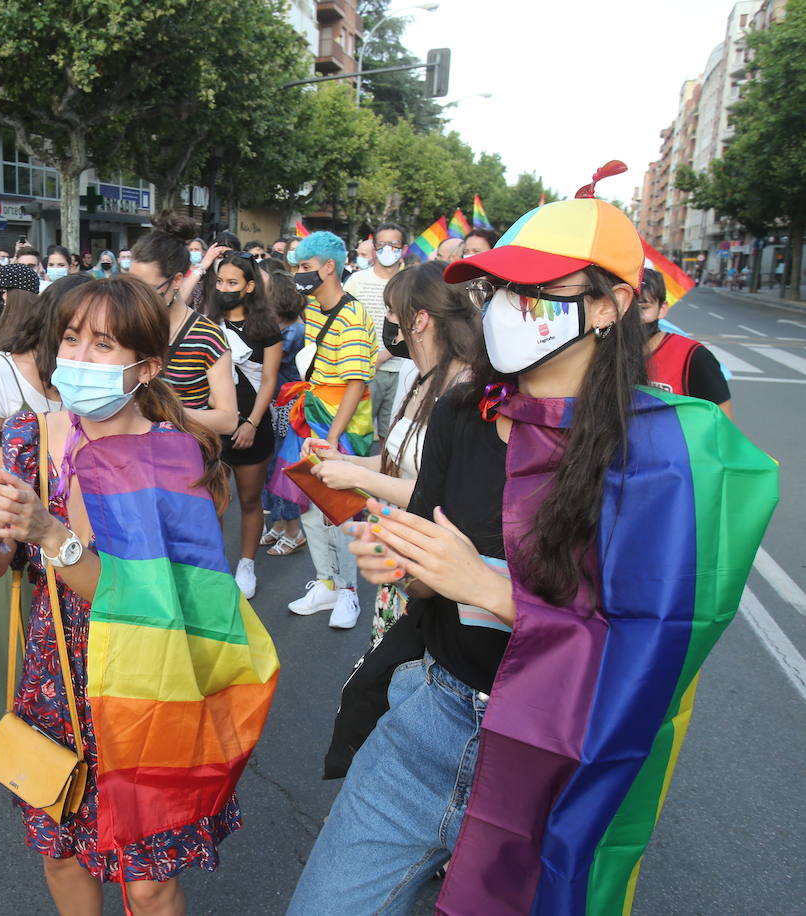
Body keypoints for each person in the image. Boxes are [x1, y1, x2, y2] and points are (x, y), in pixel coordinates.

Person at [289, 193, 777, 914]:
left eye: (536, 291)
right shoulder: (465, 411)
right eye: (499, 289)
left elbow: (652, 648)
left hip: (557, 757)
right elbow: (428, 575)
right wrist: (402, 563)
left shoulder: (662, 456)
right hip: (429, 717)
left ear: (610, 306)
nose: (507, 308)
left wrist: (487, 589)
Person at [0, 276, 278, 915]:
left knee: (149, 880)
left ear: (146, 366)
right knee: (63, 854)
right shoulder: (29, 441)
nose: (78, 357)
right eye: (70, 339)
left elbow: (152, 604)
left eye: (103, 345)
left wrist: (50, 534)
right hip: (60, 684)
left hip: (150, 687)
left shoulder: (177, 457)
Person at [303, 261, 479, 645]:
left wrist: (357, 478)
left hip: (434, 569)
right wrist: (339, 459)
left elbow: (441, 494)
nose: (386, 319)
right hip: (402, 560)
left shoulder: (466, 391)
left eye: (391, 309)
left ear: (419, 319)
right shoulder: (421, 376)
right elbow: (396, 466)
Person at [0, 269, 70, 724]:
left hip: (78, 532)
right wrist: (47, 451)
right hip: (18, 531)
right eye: (75, 332)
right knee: (23, 654)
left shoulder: (90, 377)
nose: (85, 347)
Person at [269, 231, 376, 629]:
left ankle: (348, 591)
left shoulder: (352, 315)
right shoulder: (313, 308)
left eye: (306, 268)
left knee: (341, 510)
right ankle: (326, 581)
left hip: (341, 426)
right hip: (310, 416)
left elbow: (354, 383)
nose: (299, 275)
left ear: (329, 268)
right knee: (311, 508)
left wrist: (334, 436)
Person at [210, 253, 282, 600]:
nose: (224, 289)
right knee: (214, 501)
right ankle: (216, 564)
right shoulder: (206, 323)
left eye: (233, 283)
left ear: (250, 286)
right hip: (211, 426)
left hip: (253, 425)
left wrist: (252, 422)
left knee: (250, 500)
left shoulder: (265, 328)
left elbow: (269, 380)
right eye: (220, 282)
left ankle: (247, 563)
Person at [127, 212, 238, 436]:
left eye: (147, 289)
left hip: (185, 457)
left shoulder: (207, 337)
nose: (137, 297)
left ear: (177, 280)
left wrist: (158, 413)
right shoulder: (128, 324)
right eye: (131, 285)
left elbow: (227, 420)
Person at [639, 267, 732, 416]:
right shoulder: (599, 350)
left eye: (643, 307)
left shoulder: (694, 357)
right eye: (625, 307)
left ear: (662, 309)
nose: (632, 317)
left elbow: (722, 425)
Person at [346, 223, 409, 440]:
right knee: (359, 432)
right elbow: (347, 322)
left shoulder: (412, 282)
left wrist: (388, 353)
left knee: (394, 436)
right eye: (382, 244)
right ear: (374, 249)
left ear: (404, 249)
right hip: (365, 370)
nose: (388, 250)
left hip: (404, 368)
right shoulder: (356, 281)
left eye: (394, 244)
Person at [261, 272, 307, 557]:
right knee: (272, 468)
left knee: (284, 470)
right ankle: (279, 522)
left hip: (287, 410)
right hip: (278, 407)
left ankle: (293, 530)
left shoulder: (292, 333)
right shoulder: (285, 329)